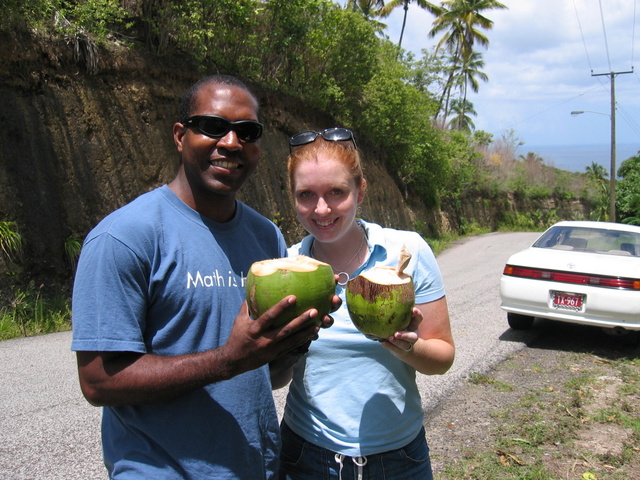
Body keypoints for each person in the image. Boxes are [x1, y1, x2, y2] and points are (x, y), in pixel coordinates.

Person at [71, 75, 335, 479]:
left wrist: (291, 345)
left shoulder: (266, 236)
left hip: (255, 467)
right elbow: (97, 383)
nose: (231, 143)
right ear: (180, 135)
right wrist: (225, 361)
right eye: (213, 126)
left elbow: (270, 376)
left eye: (247, 132)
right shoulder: (124, 237)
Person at [279, 129, 456, 480]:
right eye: (306, 195)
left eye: (337, 192)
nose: (322, 209)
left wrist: (406, 347)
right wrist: (282, 349)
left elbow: (443, 358)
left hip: (399, 458)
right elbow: (276, 378)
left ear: (360, 190)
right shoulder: (286, 269)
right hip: (305, 456)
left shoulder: (407, 253)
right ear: (292, 197)